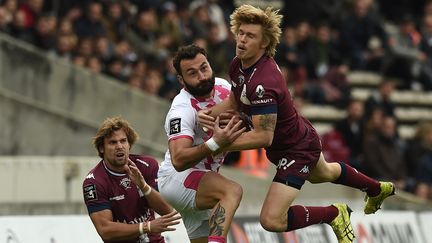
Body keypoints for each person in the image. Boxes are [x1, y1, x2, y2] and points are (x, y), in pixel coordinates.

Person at [198, 5, 395, 243]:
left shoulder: (264, 82)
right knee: (325, 173)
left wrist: (219, 144)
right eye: (240, 32)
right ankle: (376, 188)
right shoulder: (238, 64)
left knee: (271, 220)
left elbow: (264, 137)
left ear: (264, 43)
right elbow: (235, 100)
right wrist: (205, 112)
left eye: (250, 36)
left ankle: (334, 214)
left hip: (296, 150)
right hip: (298, 137)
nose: (241, 39)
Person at [157, 44, 245, 243]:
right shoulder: (181, 109)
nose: (202, 76)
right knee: (232, 190)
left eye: (204, 68)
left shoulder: (223, 87)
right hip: (179, 178)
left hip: (204, 180)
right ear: (181, 79)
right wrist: (215, 143)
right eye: (192, 73)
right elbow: (179, 160)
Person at [82, 117, 181, 243]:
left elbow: (166, 210)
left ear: (129, 144)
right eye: (113, 142)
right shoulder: (94, 182)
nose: (119, 146)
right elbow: (105, 230)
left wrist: (143, 186)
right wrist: (146, 227)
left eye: (123, 141)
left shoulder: (147, 165)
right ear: (102, 148)